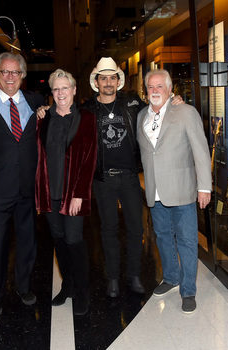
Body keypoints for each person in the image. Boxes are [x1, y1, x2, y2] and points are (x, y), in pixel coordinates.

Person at [0, 52, 45, 316]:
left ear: (23, 75)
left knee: (28, 241)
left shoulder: (37, 101)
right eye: (5, 72)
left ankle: (24, 287)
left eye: (16, 72)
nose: (11, 77)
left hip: (27, 187)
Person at [136, 69, 211, 314]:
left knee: (188, 241)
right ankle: (171, 277)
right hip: (155, 192)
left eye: (160, 86)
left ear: (170, 90)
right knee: (163, 237)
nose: (155, 91)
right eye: (150, 87)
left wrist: (204, 187)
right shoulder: (140, 117)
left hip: (182, 191)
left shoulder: (186, 112)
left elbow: (201, 151)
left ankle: (188, 290)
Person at [80, 57, 147, 298]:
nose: (108, 82)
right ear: (96, 82)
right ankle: (113, 278)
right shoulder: (87, 109)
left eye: (112, 78)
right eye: (103, 78)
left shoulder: (132, 103)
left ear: (118, 81)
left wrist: (175, 101)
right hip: (103, 179)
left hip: (129, 177)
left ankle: (135, 275)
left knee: (136, 228)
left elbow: (157, 112)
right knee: (108, 230)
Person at [35, 69, 97, 315]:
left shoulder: (87, 118)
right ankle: (68, 285)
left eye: (65, 88)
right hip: (50, 192)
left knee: (74, 240)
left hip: (74, 192)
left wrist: (79, 194)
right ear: (52, 93)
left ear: (73, 90)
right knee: (59, 240)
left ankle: (83, 290)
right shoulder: (43, 118)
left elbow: (90, 158)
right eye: (56, 89)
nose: (61, 93)